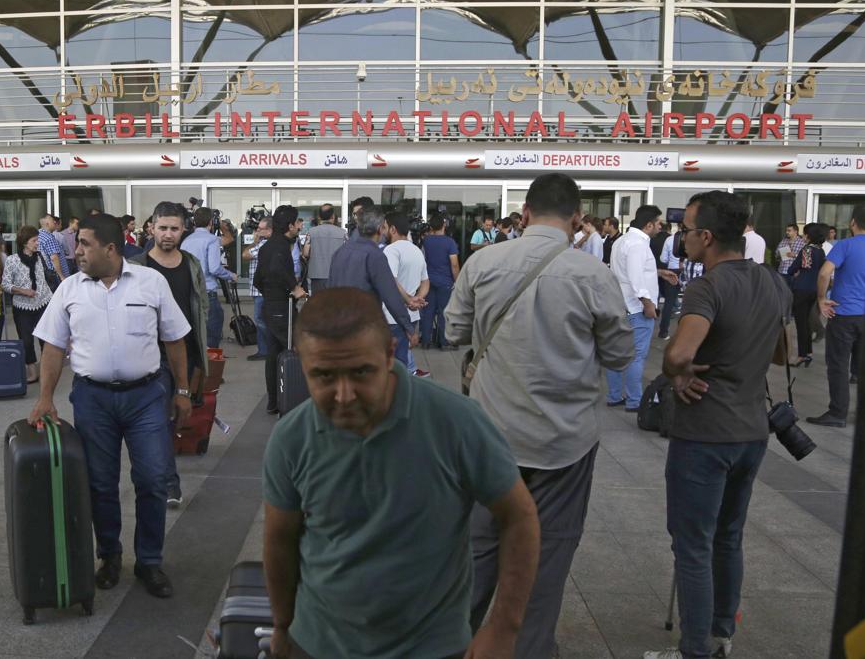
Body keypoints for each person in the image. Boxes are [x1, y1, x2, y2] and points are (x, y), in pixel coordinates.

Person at [262, 288, 540, 659]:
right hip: (318, 643)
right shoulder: (291, 438)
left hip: (432, 648)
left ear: (391, 354)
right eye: (323, 376)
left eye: (361, 372)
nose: (344, 394)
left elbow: (519, 516)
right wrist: (283, 626)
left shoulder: (455, 422)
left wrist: (504, 627)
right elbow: (279, 540)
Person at [446, 173, 633, 657]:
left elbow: (454, 332)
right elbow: (618, 355)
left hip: (490, 438)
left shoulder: (483, 262)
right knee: (548, 555)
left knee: (478, 549)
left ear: (524, 213)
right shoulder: (593, 275)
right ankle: (526, 649)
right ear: (576, 220)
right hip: (564, 443)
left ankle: (451, 643)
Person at [645, 190, 791, 659]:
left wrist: (676, 370)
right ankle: (721, 634)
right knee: (728, 537)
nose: (681, 237)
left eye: (686, 230)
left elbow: (681, 352)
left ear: (706, 237)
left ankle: (694, 649)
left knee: (693, 546)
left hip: (705, 433)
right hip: (751, 431)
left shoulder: (707, 286)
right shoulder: (772, 281)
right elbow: (784, 353)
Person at [29, 214, 193, 600]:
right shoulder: (70, 289)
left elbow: (175, 340)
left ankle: (149, 561)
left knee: (152, 480)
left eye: (84, 243)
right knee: (100, 483)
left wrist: (183, 390)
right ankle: (110, 555)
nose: (77, 250)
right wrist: (45, 397)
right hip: (93, 399)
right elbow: (52, 345)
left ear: (110, 249)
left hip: (147, 396)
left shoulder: (152, 282)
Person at [129, 202, 209, 507]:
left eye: (174, 228)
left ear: (183, 230)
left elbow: (200, 310)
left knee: (175, 417)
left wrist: (202, 360)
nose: (167, 234)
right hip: (151, 356)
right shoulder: (137, 267)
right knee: (159, 420)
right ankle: (168, 483)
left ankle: (155, 475)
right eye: (162, 228)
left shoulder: (191, 264)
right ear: (151, 228)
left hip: (185, 354)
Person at [808, 203, 865, 428]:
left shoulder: (845, 245)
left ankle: (837, 413)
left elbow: (825, 272)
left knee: (837, 364)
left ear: (852, 222)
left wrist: (821, 300)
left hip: (843, 314)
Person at [326, 206, 417, 347]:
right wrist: (408, 327)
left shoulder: (340, 252)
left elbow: (329, 288)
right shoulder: (375, 255)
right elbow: (390, 294)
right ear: (380, 229)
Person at [606, 205, 665, 412]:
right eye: (659, 222)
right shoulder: (638, 244)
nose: (661, 226)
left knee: (616, 353)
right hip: (636, 308)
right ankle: (634, 400)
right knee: (636, 356)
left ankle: (614, 395)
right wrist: (648, 304)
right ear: (648, 225)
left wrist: (659, 273)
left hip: (619, 305)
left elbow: (626, 271)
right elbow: (635, 276)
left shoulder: (622, 241)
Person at [253, 206, 307, 414]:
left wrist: (269, 292)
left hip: (271, 304)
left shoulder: (269, 245)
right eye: (298, 223)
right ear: (290, 226)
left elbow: (258, 278)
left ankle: (274, 402)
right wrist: (293, 288)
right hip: (280, 307)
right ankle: (295, 402)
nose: (300, 226)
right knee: (297, 348)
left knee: (273, 354)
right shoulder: (280, 247)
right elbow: (276, 268)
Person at [181, 207, 237, 349]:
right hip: (208, 293)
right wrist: (231, 275)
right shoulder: (211, 240)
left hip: (191, 291)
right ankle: (210, 365)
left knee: (195, 332)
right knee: (212, 333)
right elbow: (214, 268)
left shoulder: (186, 241)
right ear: (212, 222)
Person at [2, 226, 52, 384]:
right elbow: (5, 284)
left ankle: (46, 371)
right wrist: (23, 291)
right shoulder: (12, 260)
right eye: (34, 240)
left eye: (37, 239)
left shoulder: (41, 256)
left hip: (44, 302)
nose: (37, 243)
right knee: (26, 340)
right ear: (24, 243)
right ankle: (32, 372)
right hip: (22, 306)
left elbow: (46, 277)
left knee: (46, 339)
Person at [382, 212, 429, 376]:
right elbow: (425, 282)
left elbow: (391, 280)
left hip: (392, 315)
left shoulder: (391, 250)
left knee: (394, 364)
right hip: (412, 315)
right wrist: (417, 300)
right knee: (402, 358)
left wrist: (410, 300)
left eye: (385, 227)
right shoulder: (416, 250)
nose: (382, 231)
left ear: (393, 229)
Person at [786, 223, 827, 367]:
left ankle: (802, 355)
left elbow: (792, 269)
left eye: (804, 234)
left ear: (809, 236)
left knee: (801, 323)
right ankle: (808, 353)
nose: (803, 236)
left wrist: (795, 271)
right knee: (807, 322)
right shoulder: (820, 251)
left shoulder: (807, 250)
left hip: (802, 289)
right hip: (814, 290)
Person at [419, 214, 460, 350]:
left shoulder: (426, 241)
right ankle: (443, 341)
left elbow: (422, 260)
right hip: (445, 282)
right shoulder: (450, 242)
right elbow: (454, 264)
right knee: (444, 312)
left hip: (429, 281)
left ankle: (425, 340)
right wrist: (457, 280)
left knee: (428, 311)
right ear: (444, 226)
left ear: (431, 227)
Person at [243, 215, 273, 361]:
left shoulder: (263, 244)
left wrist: (254, 242)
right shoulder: (266, 242)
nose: (257, 231)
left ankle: (265, 350)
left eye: (260, 229)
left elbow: (245, 255)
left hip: (261, 290)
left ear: (270, 230)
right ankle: (265, 349)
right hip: (261, 289)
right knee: (263, 319)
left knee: (261, 320)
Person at [302, 203, 346, 294]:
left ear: (319, 217)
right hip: (337, 275)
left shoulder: (311, 232)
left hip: (317, 276)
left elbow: (306, 253)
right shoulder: (343, 233)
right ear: (333, 217)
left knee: (319, 305)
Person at [658, 229, 685, 340]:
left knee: (669, 303)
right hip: (685, 271)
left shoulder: (669, 239)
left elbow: (663, 259)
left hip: (671, 272)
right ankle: (684, 334)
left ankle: (663, 332)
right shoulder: (692, 239)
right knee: (689, 304)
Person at [38, 213, 71, 291]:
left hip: (46, 275)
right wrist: (61, 276)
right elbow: (54, 258)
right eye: (53, 221)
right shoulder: (49, 238)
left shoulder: (39, 235)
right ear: (47, 223)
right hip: (55, 276)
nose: (55, 223)